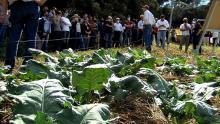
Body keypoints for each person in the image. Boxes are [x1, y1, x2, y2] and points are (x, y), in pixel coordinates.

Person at [2, 0, 47, 70]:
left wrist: (4, 11)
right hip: (32, 6)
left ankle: (9, 65)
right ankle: (28, 64)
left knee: (13, 37)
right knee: (31, 37)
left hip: (16, 6)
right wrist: (40, 2)